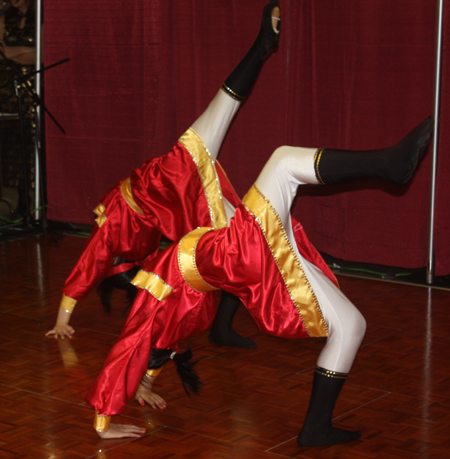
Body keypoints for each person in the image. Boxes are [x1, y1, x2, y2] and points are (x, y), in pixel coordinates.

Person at [85, 115, 433, 444]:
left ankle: (316, 428)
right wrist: (103, 419)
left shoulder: (169, 300)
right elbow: (133, 342)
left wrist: (146, 382)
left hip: (237, 260)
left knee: (351, 325)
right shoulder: (158, 287)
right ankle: (388, 165)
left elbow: (157, 341)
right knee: (281, 161)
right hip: (231, 256)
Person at [46, 0, 282, 406]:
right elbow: (160, 322)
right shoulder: (155, 264)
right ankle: (227, 324)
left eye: (135, 279)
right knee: (243, 243)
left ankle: (261, 47)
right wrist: (149, 376)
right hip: (182, 202)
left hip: (170, 178)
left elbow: (83, 272)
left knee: (220, 111)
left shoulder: (111, 233)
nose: (143, 278)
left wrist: (61, 321)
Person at [0, 0, 37, 215]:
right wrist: (26, 50)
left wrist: (13, 52)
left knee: (30, 141)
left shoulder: (38, 18)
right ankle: (19, 200)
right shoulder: (6, 18)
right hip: (7, 88)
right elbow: (1, 51)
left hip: (32, 89)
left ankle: (32, 199)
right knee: (11, 145)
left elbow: (40, 55)